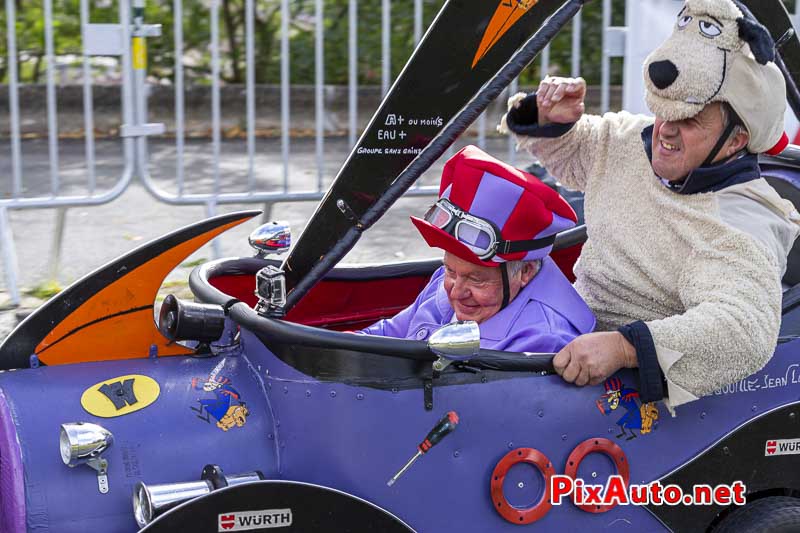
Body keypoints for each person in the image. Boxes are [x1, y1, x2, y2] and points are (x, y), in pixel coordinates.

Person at [498, 0, 800, 411]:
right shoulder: (630, 142)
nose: (665, 131)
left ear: (737, 139)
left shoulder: (740, 223)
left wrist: (625, 348)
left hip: (612, 382)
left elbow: (743, 332)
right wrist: (555, 119)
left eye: (690, 120)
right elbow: (578, 152)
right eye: (662, 112)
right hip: (557, 324)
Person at [360, 145, 595, 353]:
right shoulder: (453, 279)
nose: (456, 292)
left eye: (477, 280)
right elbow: (390, 333)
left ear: (526, 271)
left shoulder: (544, 340)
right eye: (451, 270)